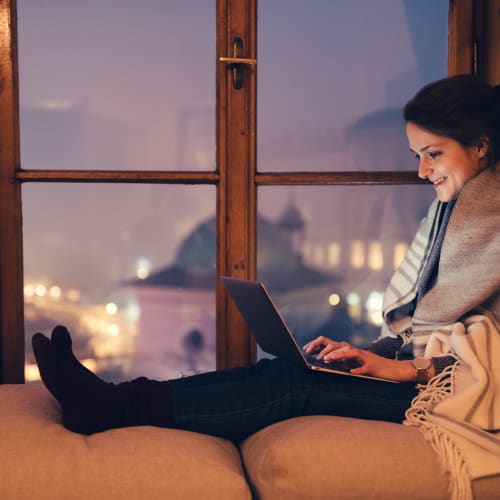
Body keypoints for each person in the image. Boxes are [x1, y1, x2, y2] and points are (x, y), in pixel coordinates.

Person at [32, 75, 499, 445]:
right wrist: (375, 354)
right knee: (277, 370)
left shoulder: (488, 221)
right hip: (430, 376)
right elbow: (431, 335)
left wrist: (401, 369)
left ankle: (109, 407)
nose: (421, 171)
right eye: (418, 155)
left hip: (464, 397)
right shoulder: (453, 216)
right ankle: (113, 397)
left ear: (480, 144)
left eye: (433, 153)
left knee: (294, 387)